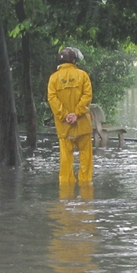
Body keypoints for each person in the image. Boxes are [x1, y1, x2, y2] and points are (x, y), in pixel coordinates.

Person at [48, 47, 93, 184]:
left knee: (66, 161)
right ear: (74, 60)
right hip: (82, 124)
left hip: (64, 126)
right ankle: (86, 193)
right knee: (86, 160)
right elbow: (87, 96)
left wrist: (65, 115)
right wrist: (76, 113)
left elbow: (52, 98)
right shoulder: (83, 75)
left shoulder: (53, 78)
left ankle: (65, 194)